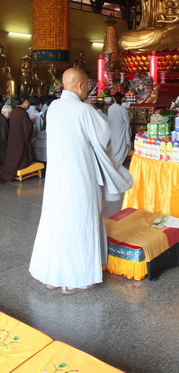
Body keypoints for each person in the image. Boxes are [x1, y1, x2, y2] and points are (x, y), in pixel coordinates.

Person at [29, 68, 132, 294]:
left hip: (56, 177)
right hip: (80, 177)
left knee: (55, 222)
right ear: (80, 86)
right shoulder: (84, 110)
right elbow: (104, 138)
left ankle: (52, 276)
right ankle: (76, 278)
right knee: (80, 221)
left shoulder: (53, 108)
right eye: (86, 86)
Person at [0, 94, 32, 183]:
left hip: (13, 138)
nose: (29, 104)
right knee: (19, 157)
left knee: (12, 157)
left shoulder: (14, 111)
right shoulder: (23, 113)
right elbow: (28, 128)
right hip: (21, 138)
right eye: (28, 101)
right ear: (25, 102)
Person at [107, 91, 131, 166]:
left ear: (114, 99)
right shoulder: (123, 110)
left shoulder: (110, 108)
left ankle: (113, 159)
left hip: (112, 129)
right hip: (121, 130)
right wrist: (128, 131)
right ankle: (119, 160)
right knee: (121, 145)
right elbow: (127, 121)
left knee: (113, 144)